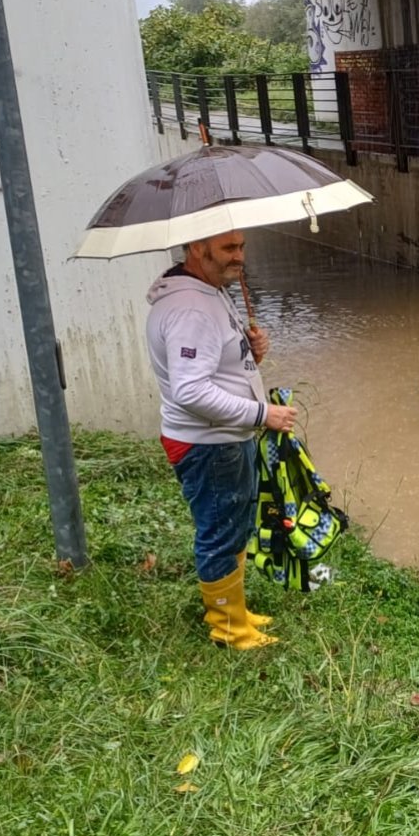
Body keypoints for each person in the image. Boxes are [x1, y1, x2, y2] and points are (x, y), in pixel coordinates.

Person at [145, 230, 296, 650]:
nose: (240, 257)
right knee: (220, 531)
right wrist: (264, 414)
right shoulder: (191, 307)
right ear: (197, 248)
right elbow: (189, 391)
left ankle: (235, 611)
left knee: (235, 524)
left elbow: (214, 365)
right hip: (209, 444)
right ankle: (228, 628)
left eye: (242, 246)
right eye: (229, 248)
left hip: (224, 438)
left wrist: (250, 351)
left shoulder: (207, 293)